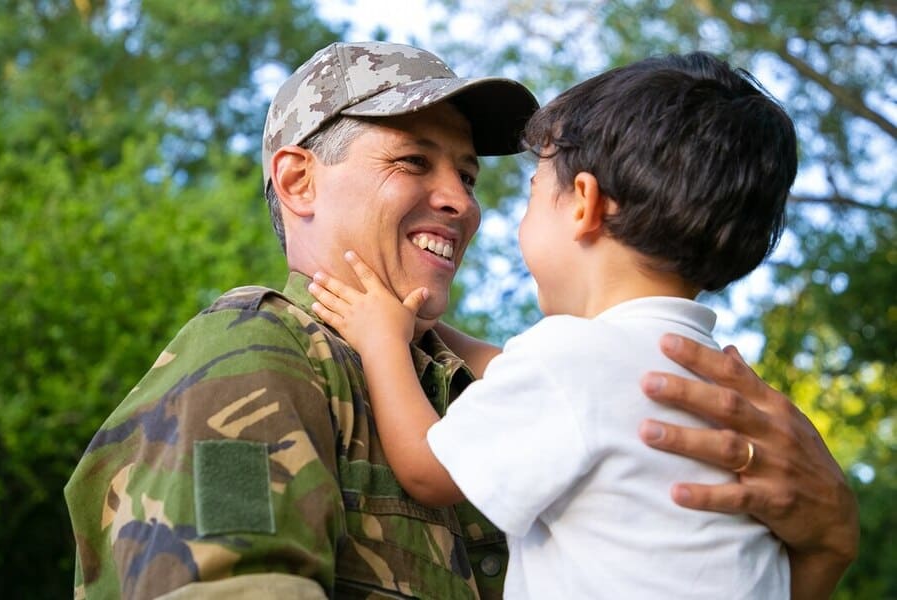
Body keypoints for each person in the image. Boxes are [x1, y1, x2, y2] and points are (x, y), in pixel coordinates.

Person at [64, 41, 858, 600]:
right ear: (298, 181)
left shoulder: (485, 386)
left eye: (470, 175)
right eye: (414, 161)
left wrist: (825, 542)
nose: (463, 201)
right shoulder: (253, 356)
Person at [307, 51, 810, 598]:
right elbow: (522, 377)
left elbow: (430, 470)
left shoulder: (570, 361)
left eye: (532, 193)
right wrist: (421, 325)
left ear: (583, 204)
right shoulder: (711, 381)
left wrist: (382, 341)